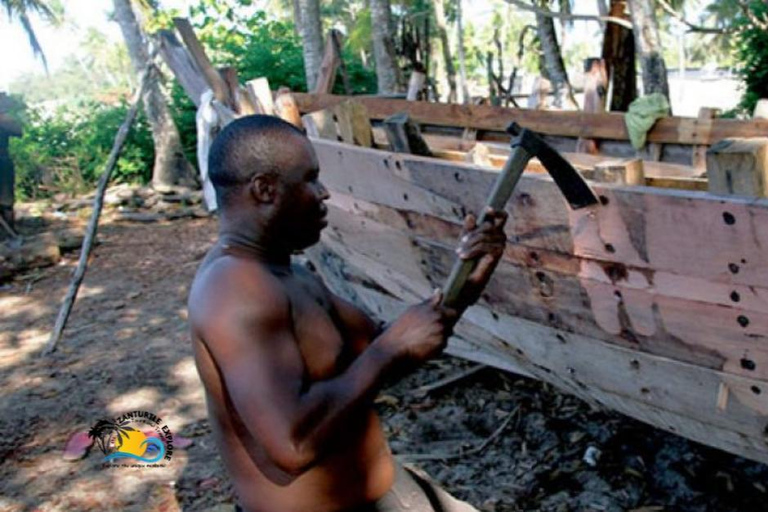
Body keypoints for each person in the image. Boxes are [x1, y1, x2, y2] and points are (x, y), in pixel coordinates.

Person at [188, 115, 508, 512]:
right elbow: (293, 443)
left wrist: (468, 284)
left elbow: (389, 347)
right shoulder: (235, 290)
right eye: (309, 179)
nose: (323, 194)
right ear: (265, 190)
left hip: (389, 493)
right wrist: (389, 350)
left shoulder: (288, 273)